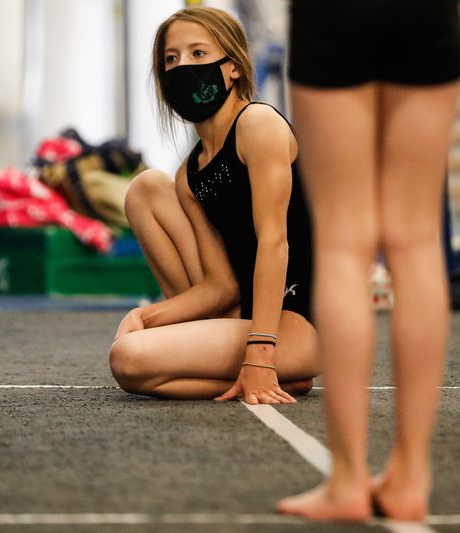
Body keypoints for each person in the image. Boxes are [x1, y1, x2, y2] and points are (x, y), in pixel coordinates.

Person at [276, 0, 460, 523]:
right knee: (416, 239)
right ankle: (410, 475)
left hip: (336, 14)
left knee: (342, 242)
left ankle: (347, 479)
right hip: (425, 16)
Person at [109, 6, 320, 404]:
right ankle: (270, 373)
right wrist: (146, 316)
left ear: (234, 67)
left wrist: (259, 354)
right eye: (171, 59)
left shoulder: (258, 125)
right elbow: (221, 286)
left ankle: (271, 366)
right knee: (145, 189)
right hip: (239, 311)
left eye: (199, 54)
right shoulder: (189, 173)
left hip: (295, 322)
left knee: (129, 358)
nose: (183, 66)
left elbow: (275, 241)